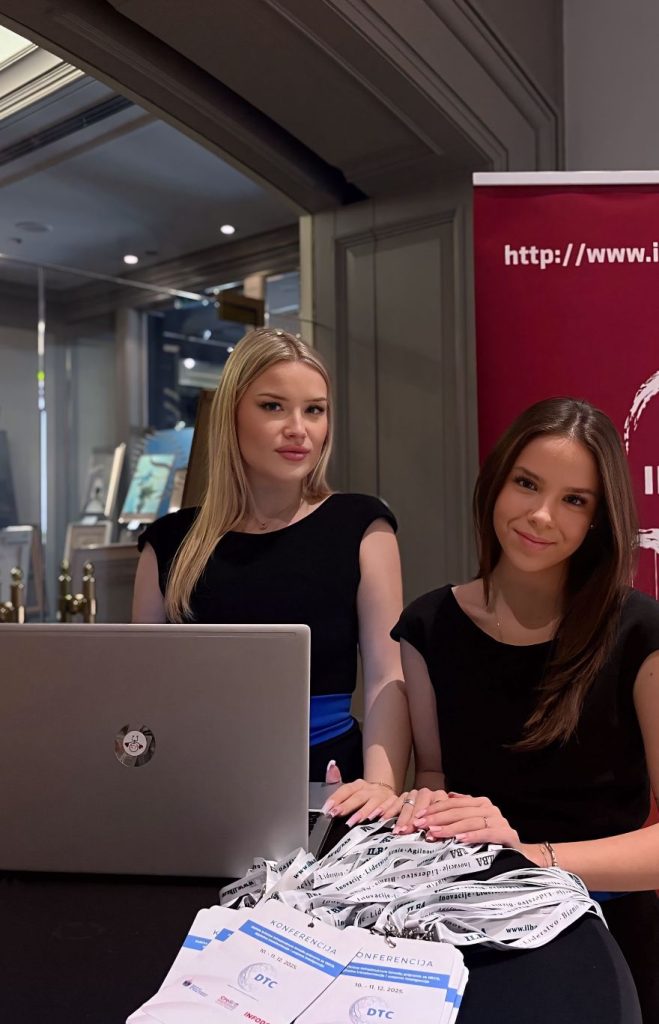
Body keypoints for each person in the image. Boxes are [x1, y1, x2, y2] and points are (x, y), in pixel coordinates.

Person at [389, 397, 659, 1020]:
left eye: (574, 500)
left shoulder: (640, 632)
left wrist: (533, 858)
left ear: (599, 519)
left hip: (605, 929)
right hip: (465, 930)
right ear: (495, 482)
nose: (540, 515)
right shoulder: (428, 626)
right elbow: (435, 778)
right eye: (527, 484)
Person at [132, 327, 409, 821]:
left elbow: (388, 677)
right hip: (195, 785)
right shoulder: (169, 543)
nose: (298, 428)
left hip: (331, 785)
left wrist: (381, 786)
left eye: (314, 410)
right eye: (273, 406)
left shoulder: (361, 525)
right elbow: (143, 693)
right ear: (232, 414)